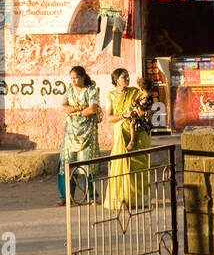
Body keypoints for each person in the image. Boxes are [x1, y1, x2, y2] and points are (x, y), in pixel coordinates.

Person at [103, 69, 153, 211]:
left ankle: (138, 199)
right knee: (121, 164)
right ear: (116, 80)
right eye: (123, 77)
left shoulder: (135, 92)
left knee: (138, 164)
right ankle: (121, 199)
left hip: (138, 132)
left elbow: (145, 103)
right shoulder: (111, 96)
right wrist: (124, 115)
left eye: (128, 76)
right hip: (121, 133)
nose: (127, 79)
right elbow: (109, 118)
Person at [58, 65, 101, 205]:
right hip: (71, 132)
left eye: (76, 78)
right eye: (71, 78)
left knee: (87, 164)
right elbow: (64, 107)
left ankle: (91, 196)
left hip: (87, 131)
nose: (74, 81)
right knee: (67, 163)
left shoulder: (91, 90)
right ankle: (66, 196)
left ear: (83, 77)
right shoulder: (69, 90)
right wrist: (80, 108)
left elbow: (92, 109)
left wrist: (75, 111)